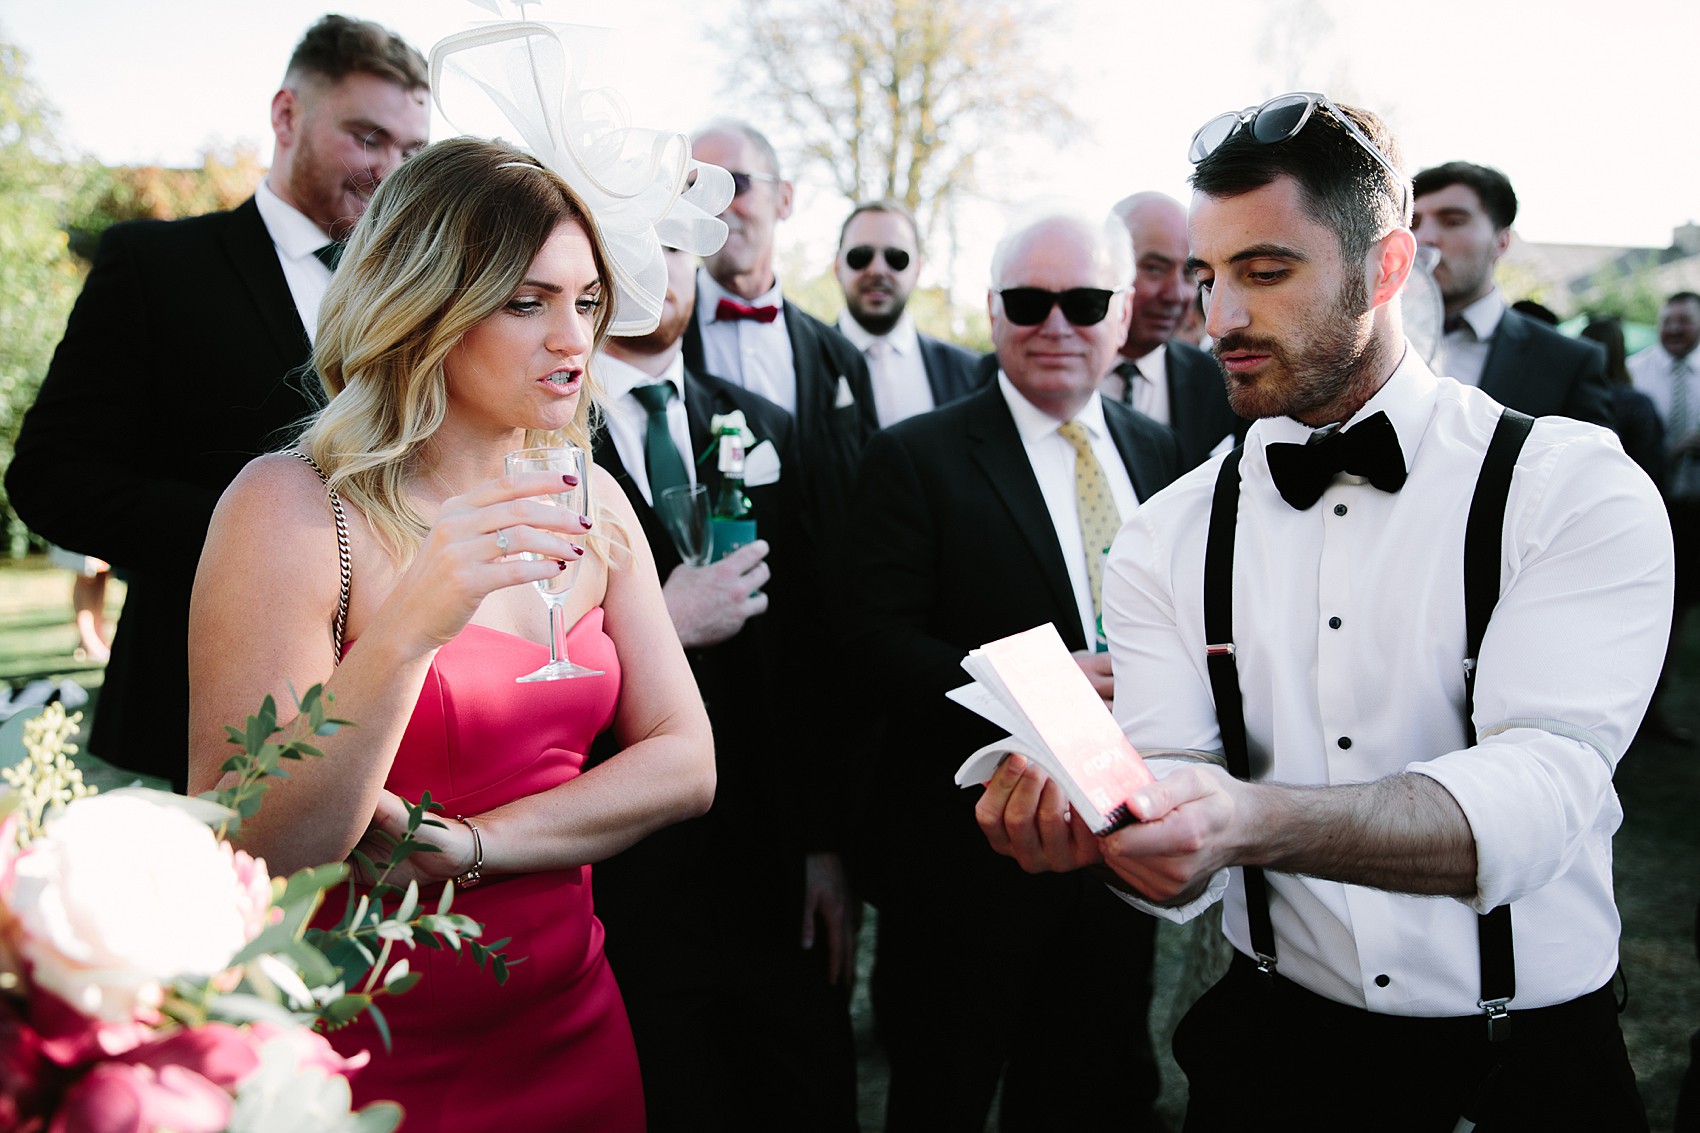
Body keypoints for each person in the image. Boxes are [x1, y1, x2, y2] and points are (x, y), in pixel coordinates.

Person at [976, 95, 1668, 1131]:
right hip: (1264, 1063)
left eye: (1264, 272)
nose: (1217, 319)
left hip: (1517, 1063)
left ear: (1384, 268)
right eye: (1208, 279)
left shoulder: (1567, 485)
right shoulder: (1167, 533)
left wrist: (1253, 816)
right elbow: (1178, 862)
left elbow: (1541, 792)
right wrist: (1122, 839)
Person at [186, 138, 716, 1131]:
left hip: (577, 1027)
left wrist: (476, 844)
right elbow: (253, 846)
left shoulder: (590, 499)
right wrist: (410, 625)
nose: (572, 339)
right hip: (359, 1055)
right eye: (526, 301)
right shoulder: (293, 509)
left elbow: (686, 761)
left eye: (586, 299)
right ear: (423, 301)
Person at [5, 15, 430, 791]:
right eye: (369, 139)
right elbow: (49, 478)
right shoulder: (156, 267)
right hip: (192, 710)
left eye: (412, 152)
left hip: (412, 722)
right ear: (286, 116)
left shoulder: (428, 293)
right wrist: (263, 540)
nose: (392, 172)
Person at [844, 207, 1181, 1131]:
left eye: (1084, 301)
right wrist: (1036, 687)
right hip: (962, 874)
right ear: (993, 312)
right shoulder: (914, 457)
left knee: (1085, 1096)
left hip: (1117, 858)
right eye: (1030, 300)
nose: (1057, 324)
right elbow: (873, 642)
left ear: (1122, 317)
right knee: (941, 1101)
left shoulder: (1161, 457)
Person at [588, 246, 857, 1131]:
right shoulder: (535, 442)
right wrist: (658, 622)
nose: (656, 265)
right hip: (619, 880)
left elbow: (816, 652)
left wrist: (825, 846)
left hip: (772, 871)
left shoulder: (766, 422)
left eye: (675, 244)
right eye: (628, 239)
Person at [684, 118, 877, 522]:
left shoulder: (840, 358)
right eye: (696, 189)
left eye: (736, 183)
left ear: (784, 199)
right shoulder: (653, 345)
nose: (716, 205)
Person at [1410, 160, 1612, 427]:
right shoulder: (1370, 337)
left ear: (1502, 242)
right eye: (1413, 222)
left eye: (1452, 221)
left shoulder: (1568, 364)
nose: (1425, 237)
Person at [1103, 191, 1245, 467]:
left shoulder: (1223, 383)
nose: (1177, 295)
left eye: (1188, 273)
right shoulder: (1048, 375)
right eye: (1155, 268)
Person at [833, 199, 984, 426]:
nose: (877, 270)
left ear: (917, 269)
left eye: (896, 258)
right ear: (837, 266)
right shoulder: (804, 363)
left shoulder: (969, 371)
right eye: (861, 256)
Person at [1628, 291, 1700, 745]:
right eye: (1668, 320)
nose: (1674, 329)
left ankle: (1658, 701)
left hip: (1695, 509)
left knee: (1682, 609)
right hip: (1651, 507)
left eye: (1684, 322)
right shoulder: (1636, 371)